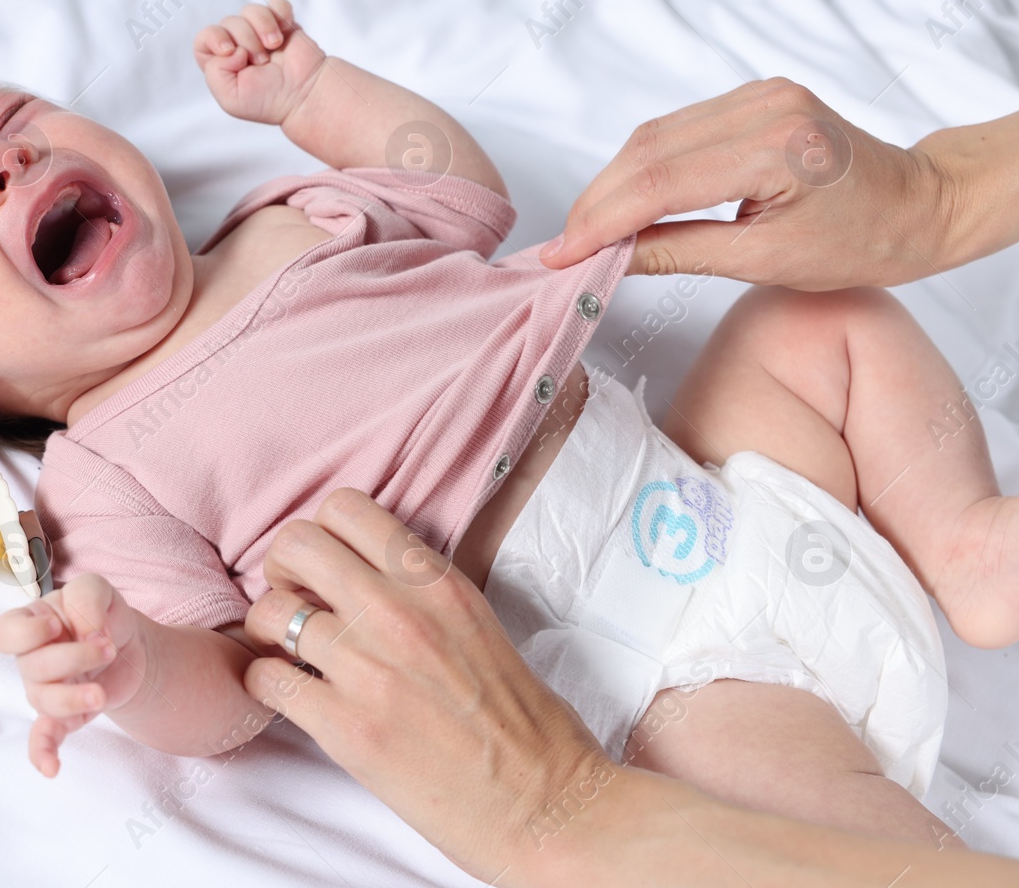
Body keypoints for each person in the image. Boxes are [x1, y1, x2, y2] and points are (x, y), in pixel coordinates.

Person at [244, 83, 1019, 885]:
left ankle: (958, 537)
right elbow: (220, 680)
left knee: (810, 320)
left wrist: (310, 89)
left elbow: (456, 190)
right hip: (668, 677)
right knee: (825, 821)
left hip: (704, 485)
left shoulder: (290, 221)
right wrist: (141, 663)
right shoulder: (107, 473)